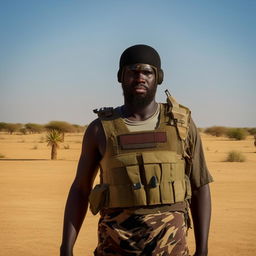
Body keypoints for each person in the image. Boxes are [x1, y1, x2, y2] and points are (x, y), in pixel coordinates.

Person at [60, 44, 213, 256]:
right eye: (132, 71)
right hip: (115, 248)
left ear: (158, 77)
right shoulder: (99, 129)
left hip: (172, 250)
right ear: (120, 77)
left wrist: (202, 249)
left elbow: (199, 186)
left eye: (147, 72)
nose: (140, 77)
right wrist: (66, 248)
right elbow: (80, 189)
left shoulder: (182, 125)